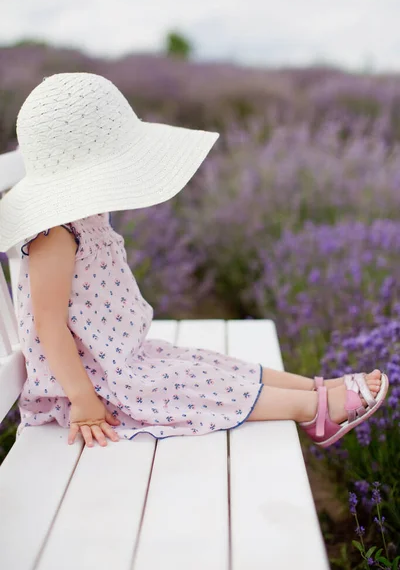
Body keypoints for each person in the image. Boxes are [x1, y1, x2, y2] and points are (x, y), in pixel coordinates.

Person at [0, 72, 389, 449]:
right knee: (188, 388)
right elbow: (49, 326)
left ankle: (313, 386)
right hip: (95, 380)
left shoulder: (86, 216)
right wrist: (83, 401)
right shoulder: (53, 236)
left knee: (207, 365)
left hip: (121, 356)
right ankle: (313, 409)